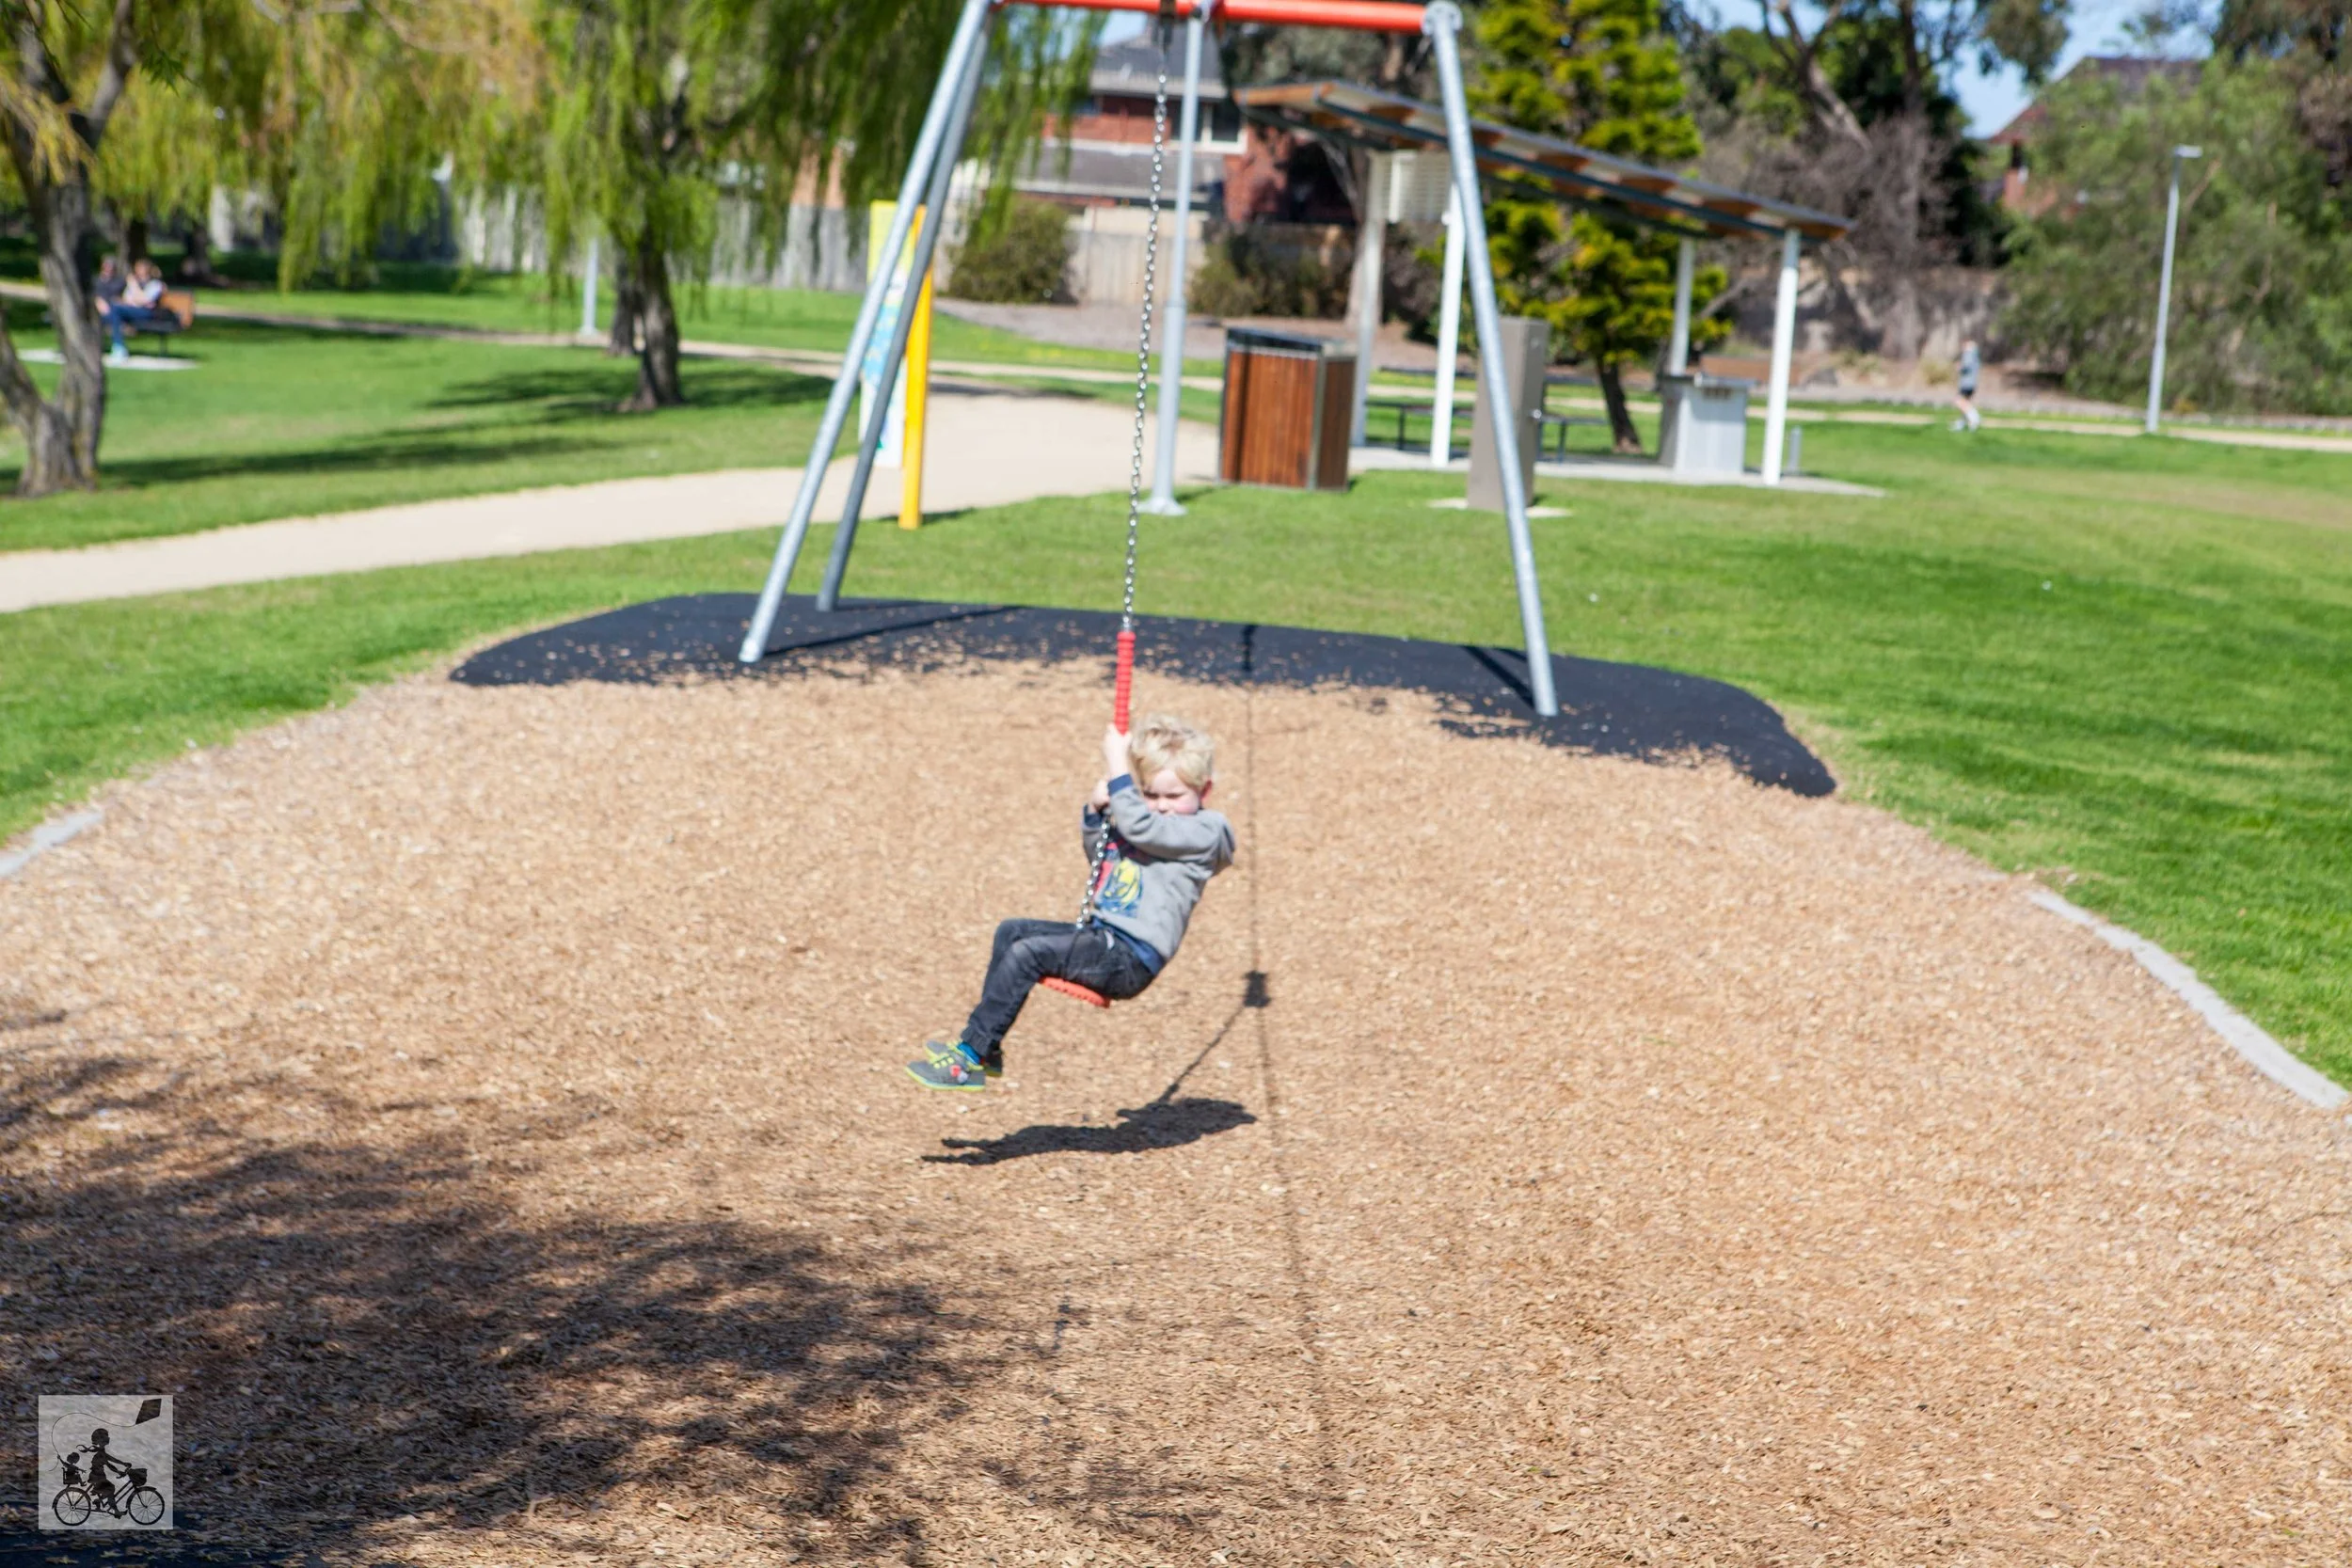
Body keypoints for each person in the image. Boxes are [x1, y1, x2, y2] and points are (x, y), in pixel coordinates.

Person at [907, 715, 1236, 1092]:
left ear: (1204, 790)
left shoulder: (1204, 832)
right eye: (1151, 795)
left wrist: (1118, 765)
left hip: (1130, 958)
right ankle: (988, 1047)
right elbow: (1103, 856)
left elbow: (1141, 827)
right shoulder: (1147, 823)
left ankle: (967, 1058)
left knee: (1028, 954)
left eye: (1174, 797)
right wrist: (1096, 812)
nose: (1161, 806)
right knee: (1012, 932)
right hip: (1103, 938)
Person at [81, 1427, 131, 1510]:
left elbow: (111, 1461)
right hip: (97, 1476)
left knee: (110, 1489)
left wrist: (123, 1465)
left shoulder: (101, 1452)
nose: (108, 1438)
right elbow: (111, 1463)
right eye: (106, 1436)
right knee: (110, 1489)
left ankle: (114, 1510)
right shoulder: (101, 1454)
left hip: (99, 1475)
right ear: (100, 1439)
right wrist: (120, 1469)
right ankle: (98, 1501)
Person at [1949, 338, 1981, 432]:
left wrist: (1959, 367)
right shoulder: (1975, 355)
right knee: (1966, 403)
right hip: (1971, 383)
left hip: (1967, 383)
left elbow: (1966, 366)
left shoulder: (1969, 354)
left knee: (1958, 401)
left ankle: (1974, 418)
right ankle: (1962, 423)